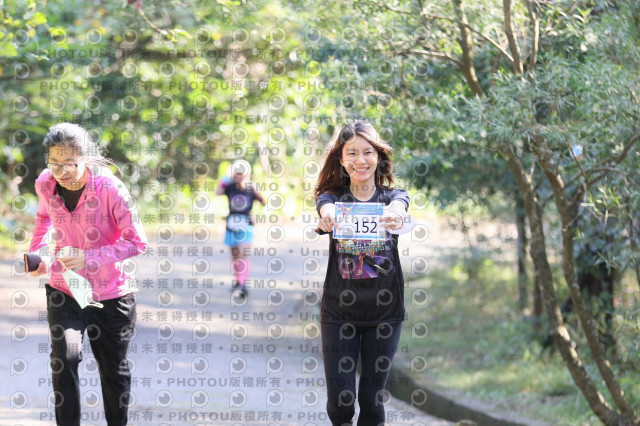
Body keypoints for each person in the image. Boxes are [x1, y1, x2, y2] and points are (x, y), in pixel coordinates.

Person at [28, 123, 148, 426]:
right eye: (54, 163)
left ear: (87, 158)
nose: (61, 172)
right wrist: (37, 254)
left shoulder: (110, 189)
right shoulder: (45, 183)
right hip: (65, 290)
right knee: (64, 360)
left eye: (69, 163)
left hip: (112, 294)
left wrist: (89, 257)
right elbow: (43, 218)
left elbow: (137, 242)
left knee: (113, 372)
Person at [315, 120, 410, 426]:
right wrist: (328, 218)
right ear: (341, 160)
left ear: (378, 157)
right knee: (341, 402)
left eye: (367, 152)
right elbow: (326, 208)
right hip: (339, 314)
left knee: (371, 399)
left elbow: (400, 206)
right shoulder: (332, 199)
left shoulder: (393, 198)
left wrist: (396, 215)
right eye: (352, 153)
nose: (360, 160)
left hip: (384, 315)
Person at [216, 160, 266, 298]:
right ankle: (238, 281)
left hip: (246, 225)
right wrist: (226, 176)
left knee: (243, 255)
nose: (239, 176)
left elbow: (263, 201)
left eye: (241, 173)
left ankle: (243, 285)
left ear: (247, 174)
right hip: (231, 226)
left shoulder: (251, 188)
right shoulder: (229, 187)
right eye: (236, 173)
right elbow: (218, 192)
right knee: (235, 257)